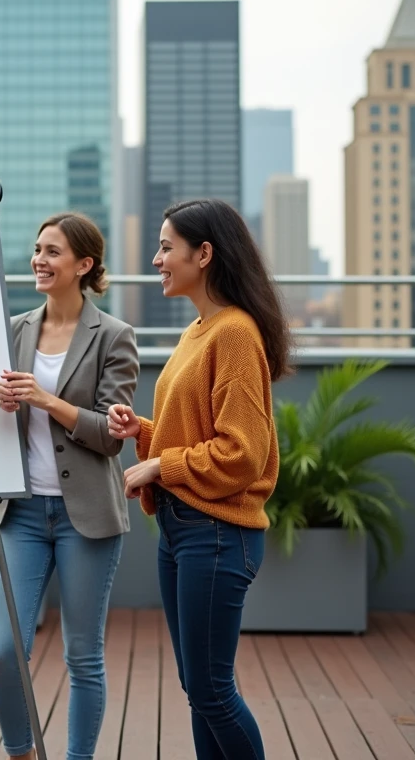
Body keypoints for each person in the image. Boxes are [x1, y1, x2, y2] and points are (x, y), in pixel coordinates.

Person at [107, 198, 292, 760]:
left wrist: (162, 464)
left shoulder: (233, 334)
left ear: (204, 253)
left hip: (217, 533)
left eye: (167, 247)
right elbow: (198, 428)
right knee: (200, 690)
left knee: (212, 691)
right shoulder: (200, 330)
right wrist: (142, 429)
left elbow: (242, 452)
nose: (157, 258)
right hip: (183, 529)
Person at [0, 212, 140, 760]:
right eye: (37, 249)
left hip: (88, 519)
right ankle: (22, 752)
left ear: (84, 264)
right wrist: (2, 404)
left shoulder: (115, 336)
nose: (39, 260)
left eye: (52, 252)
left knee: (83, 657)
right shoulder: (15, 329)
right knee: (5, 651)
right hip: (22, 515)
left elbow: (111, 436)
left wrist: (47, 401)